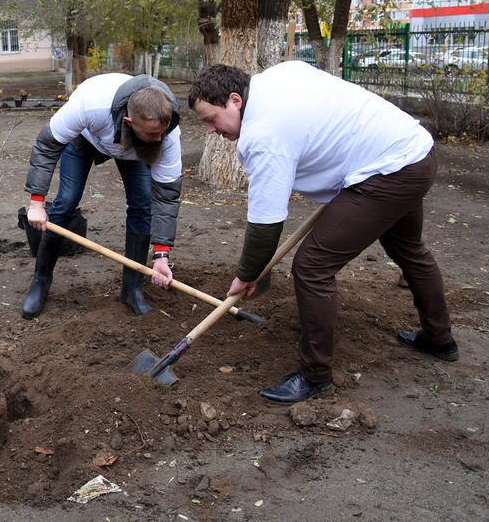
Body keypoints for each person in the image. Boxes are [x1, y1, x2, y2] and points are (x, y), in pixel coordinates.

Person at [180, 62, 456, 404]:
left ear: (235, 100)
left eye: (210, 119)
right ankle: (439, 339)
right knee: (408, 249)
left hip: (389, 170)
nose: (210, 130)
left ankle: (315, 376)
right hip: (414, 151)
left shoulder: (264, 134)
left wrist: (246, 274)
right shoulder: (276, 77)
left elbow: (266, 223)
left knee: (312, 266)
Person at [23, 73, 183, 318]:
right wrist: (36, 202)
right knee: (66, 202)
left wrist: (162, 254)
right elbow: (46, 146)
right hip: (87, 138)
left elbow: (165, 196)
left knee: (142, 206)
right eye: (153, 134)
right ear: (129, 122)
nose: (159, 139)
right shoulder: (91, 105)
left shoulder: (165, 133)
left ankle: (132, 290)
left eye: (162, 133)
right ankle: (41, 280)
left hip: (135, 149)